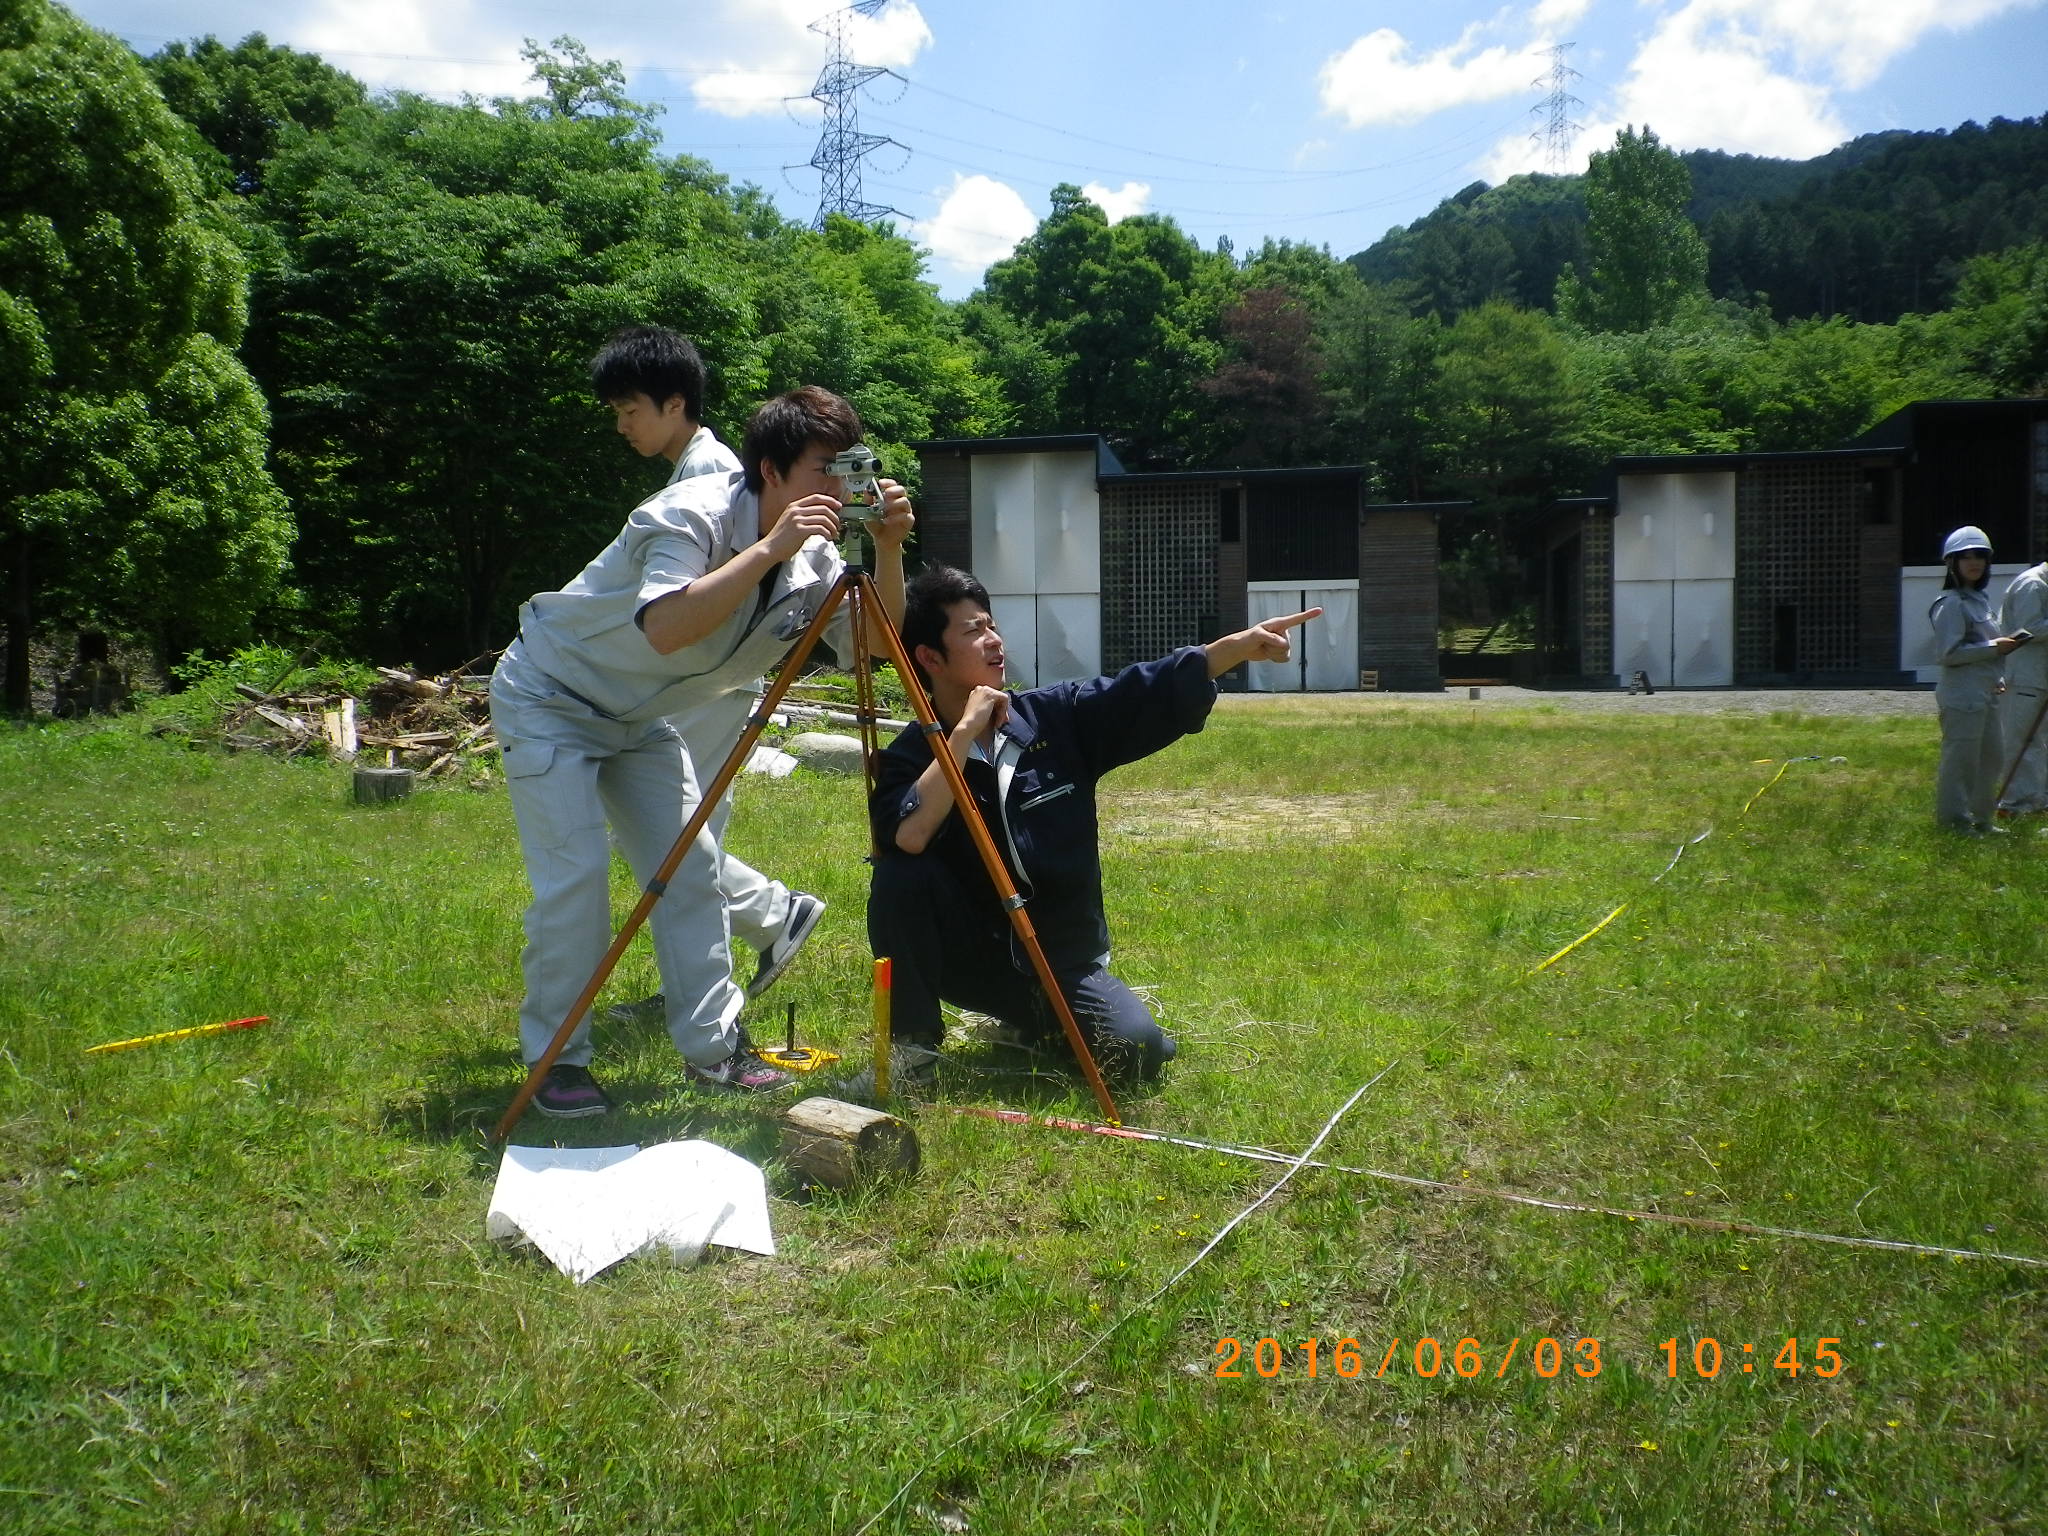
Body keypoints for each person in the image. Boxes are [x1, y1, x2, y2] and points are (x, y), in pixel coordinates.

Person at [491, 385, 914, 1116]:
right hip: (550, 698)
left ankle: (715, 1052)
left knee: (693, 872)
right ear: (771, 471)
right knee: (577, 880)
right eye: (825, 469)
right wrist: (768, 550)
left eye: (851, 470)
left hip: (644, 720)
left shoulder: (815, 558)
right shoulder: (686, 513)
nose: (842, 488)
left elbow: (874, 646)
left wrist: (887, 548)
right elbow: (666, 627)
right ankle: (557, 1062)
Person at [864, 565, 1318, 1091]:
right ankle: (914, 1050)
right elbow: (909, 837)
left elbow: (1137, 691)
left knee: (1138, 1054)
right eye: (972, 631)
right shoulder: (911, 757)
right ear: (929, 658)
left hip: (1060, 958)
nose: (993, 642)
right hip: (969, 960)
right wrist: (963, 733)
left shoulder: (1056, 718)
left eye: (992, 627)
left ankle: (1038, 1025)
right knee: (900, 873)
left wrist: (1235, 649)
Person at [589, 327, 829, 1021]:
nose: (623, 425)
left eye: (630, 410)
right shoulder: (698, 465)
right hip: (705, 678)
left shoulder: (709, 472)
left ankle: (769, 919)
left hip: (706, 679)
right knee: (678, 834)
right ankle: (707, 974)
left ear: (675, 402)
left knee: (671, 835)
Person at [1929, 525, 2022, 833]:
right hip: (1961, 694)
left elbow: (1983, 649)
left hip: (1986, 691)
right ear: (1951, 563)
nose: (1974, 562)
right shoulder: (1950, 603)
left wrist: (1998, 666)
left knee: (1991, 757)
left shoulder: (1979, 600)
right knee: (1962, 760)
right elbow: (1948, 654)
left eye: (1979, 556)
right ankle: (1954, 822)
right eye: (1965, 556)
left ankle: (1981, 820)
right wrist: (1995, 646)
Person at [1996, 553, 2048, 817]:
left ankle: (2038, 800)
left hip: (2040, 678)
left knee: (2039, 741)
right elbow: (2030, 629)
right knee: (2022, 742)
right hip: (2024, 677)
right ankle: (2017, 803)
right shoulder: (2033, 584)